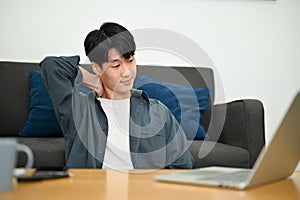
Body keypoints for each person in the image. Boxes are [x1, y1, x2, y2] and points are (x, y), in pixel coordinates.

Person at [40, 22, 194, 169]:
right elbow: (52, 66)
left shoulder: (158, 112)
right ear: (97, 68)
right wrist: (93, 80)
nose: (127, 72)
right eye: (116, 65)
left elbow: (184, 165)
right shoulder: (79, 110)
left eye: (130, 60)